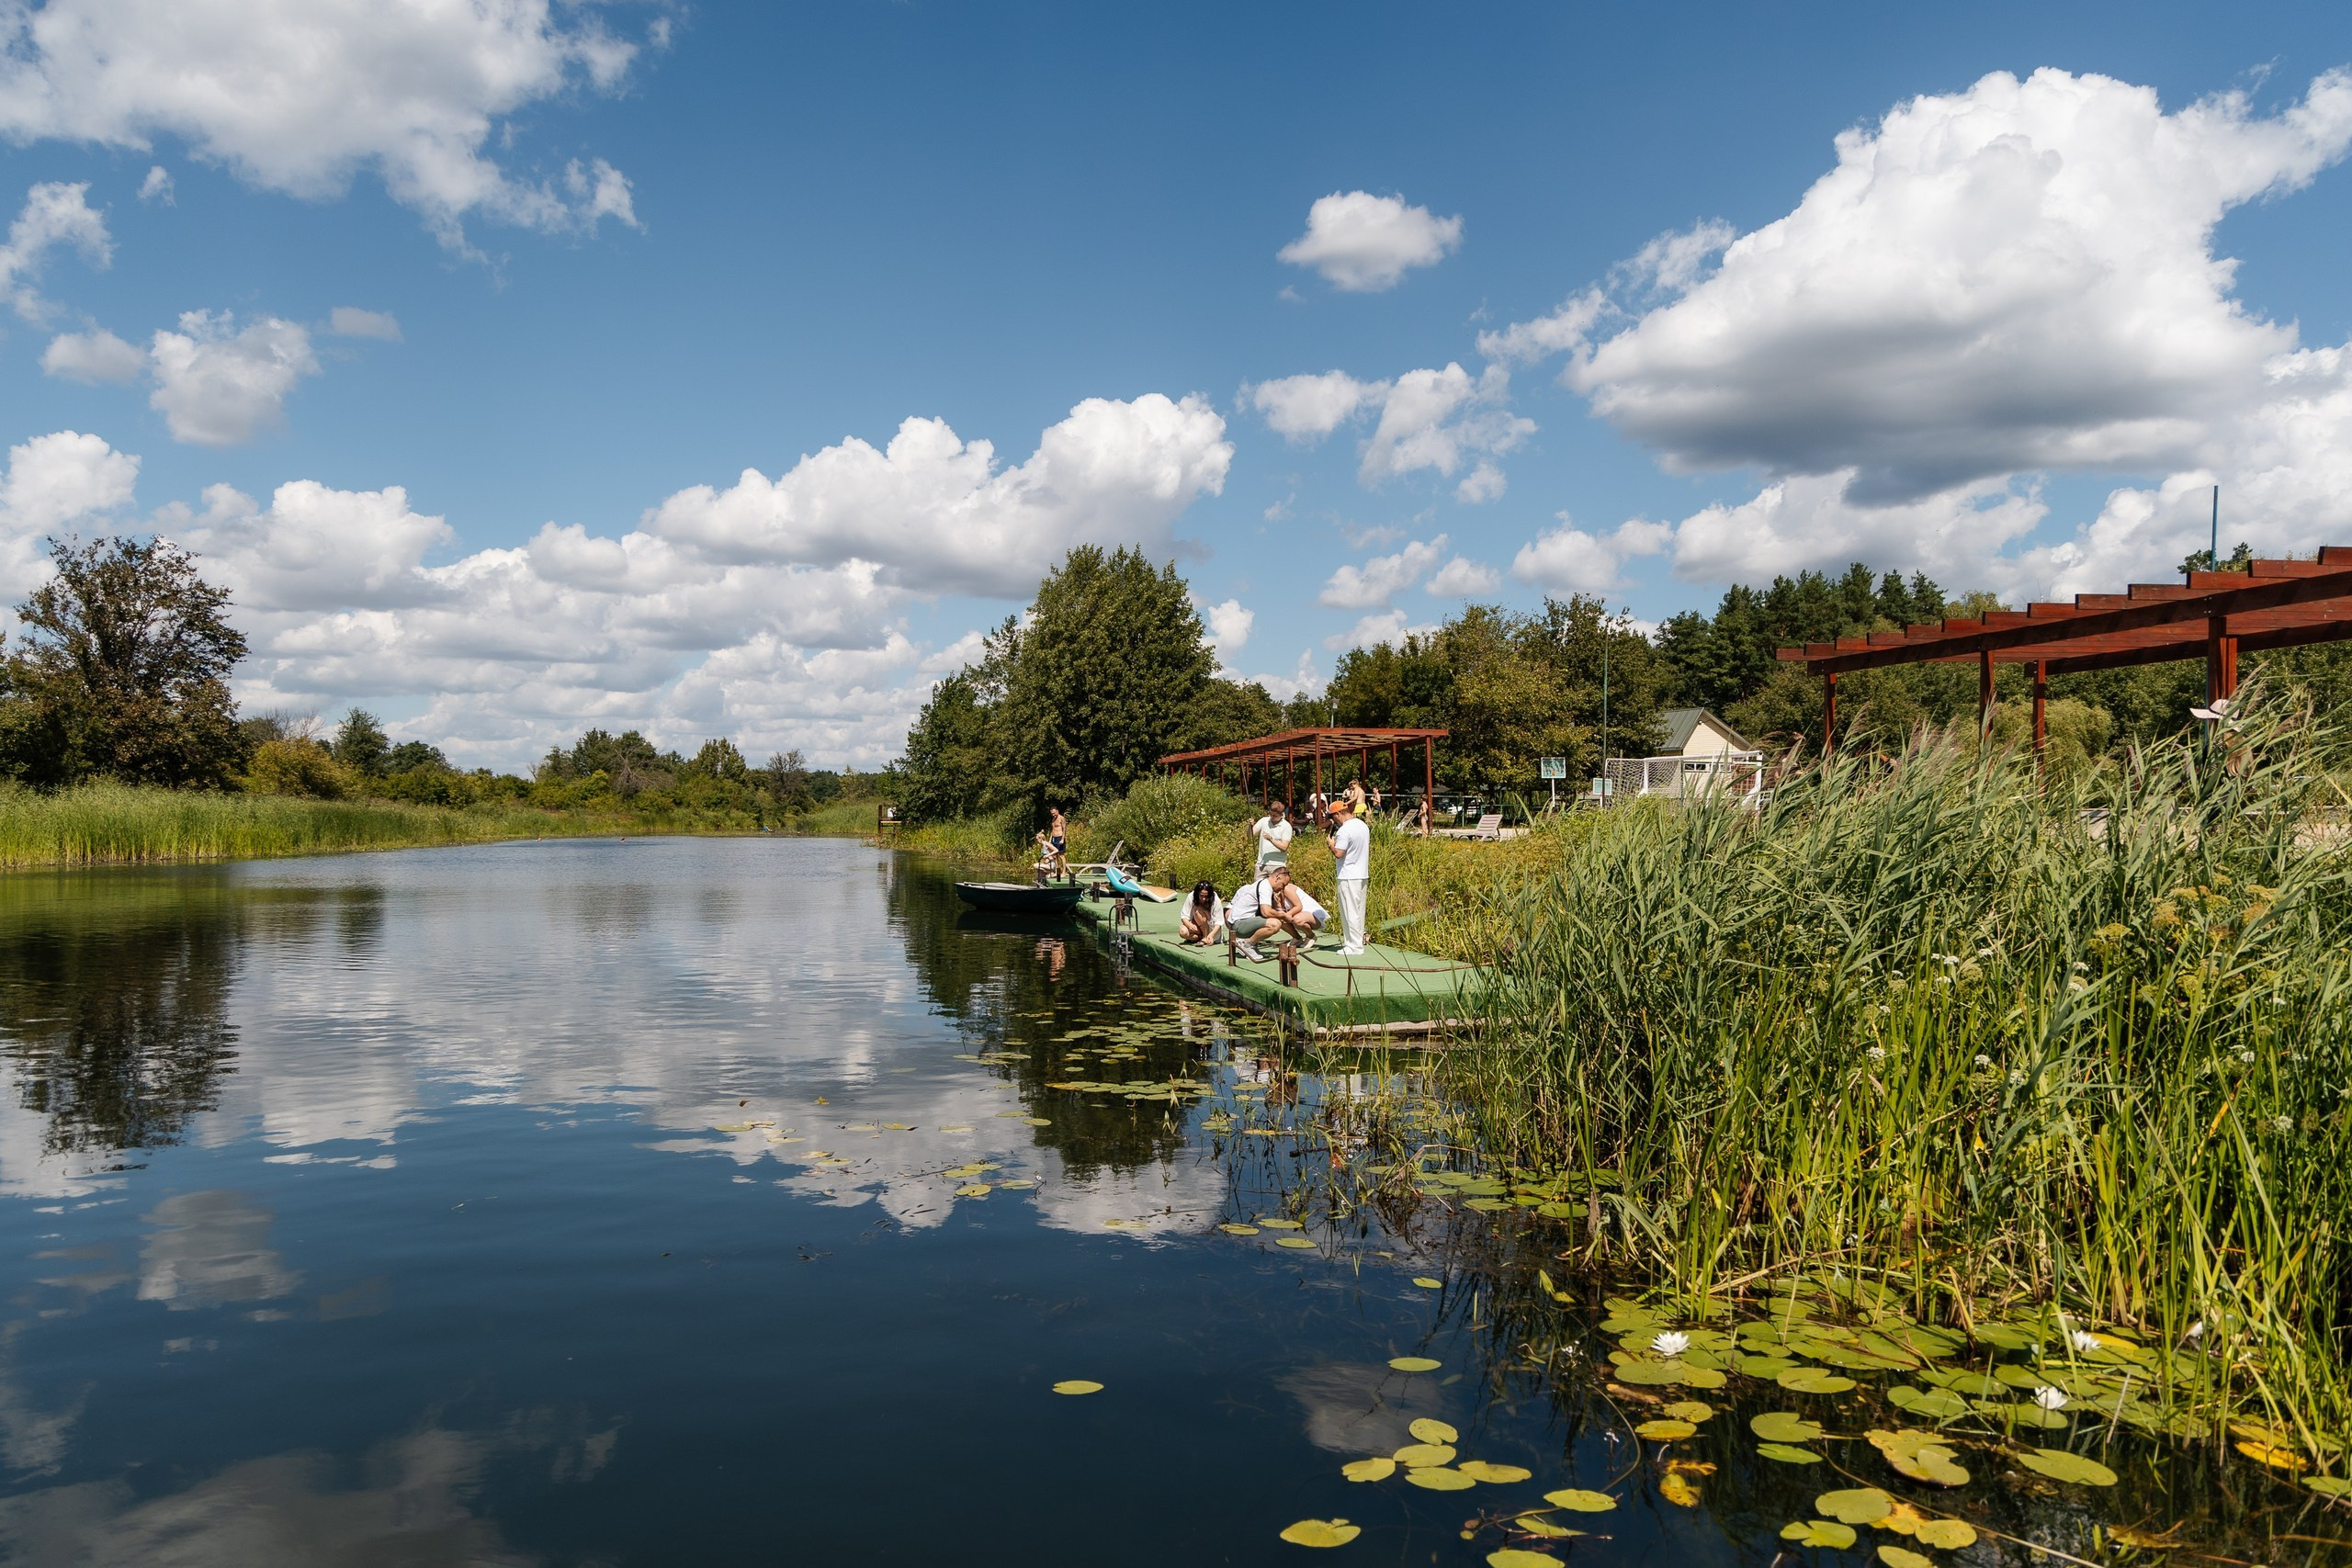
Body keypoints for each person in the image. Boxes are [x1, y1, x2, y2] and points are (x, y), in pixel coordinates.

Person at [1227, 864, 1318, 961]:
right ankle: (1247, 944)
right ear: (1277, 878)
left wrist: (1279, 908)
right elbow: (1266, 912)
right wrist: (1284, 916)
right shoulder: (1265, 887)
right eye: (1283, 885)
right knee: (1275, 924)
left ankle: (1252, 945)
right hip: (1239, 925)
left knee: (1276, 919)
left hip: (1241, 922)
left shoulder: (1264, 884)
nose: (1282, 889)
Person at [1328, 797, 1371, 954]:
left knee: (1349, 911)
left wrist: (1331, 845)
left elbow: (1339, 853)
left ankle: (1354, 946)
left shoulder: (1344, 830)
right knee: (1358, 911)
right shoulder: (1362, 825)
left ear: (1338, 814)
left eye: (1333, 817)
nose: (1334, 820)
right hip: (1362, 874)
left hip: (1348, 875)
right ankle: (1357, 941)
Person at [1250, 800, 1293, 872]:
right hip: (1261, 864)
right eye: (1270, 814)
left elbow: (1284, 847)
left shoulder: (1286, 826)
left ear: (1282, 815)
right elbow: (1250, 835)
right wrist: (1250, 826)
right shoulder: (1264, 821)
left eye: (1275, 816)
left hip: (1278, 866)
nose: (1272, 817)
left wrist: (1271, 839)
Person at [1178, 881, 1225, 945]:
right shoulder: (1191, 896)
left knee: (1198, 909)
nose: (1203, 899)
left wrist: (1211, 935)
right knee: (1183, 932)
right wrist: (1189, 925)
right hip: (1195, 925)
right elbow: (1184, 916)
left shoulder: (1216, 900)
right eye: (1201, 895)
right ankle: (1200, 938)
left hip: (1210, 927)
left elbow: (1219, 922)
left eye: (1206, 896)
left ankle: (1206, 937)